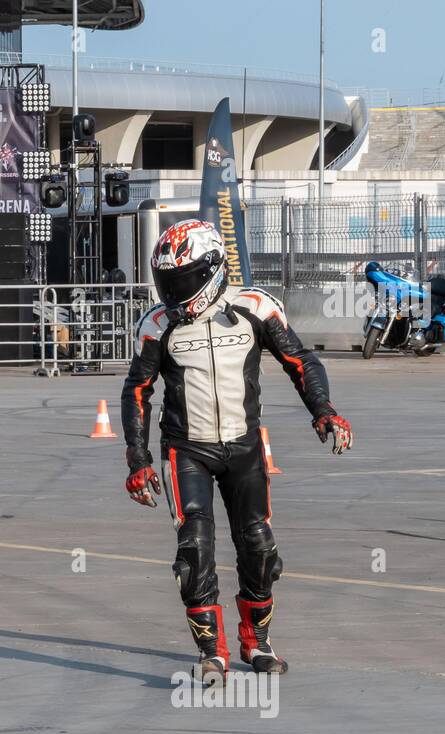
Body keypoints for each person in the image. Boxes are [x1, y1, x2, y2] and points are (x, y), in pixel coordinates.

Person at [120, 219, 354, 682]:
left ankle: (257, 642)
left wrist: (323, 410)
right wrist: (138, 459)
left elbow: (299, 361)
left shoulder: (256, 307)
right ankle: (212, 650)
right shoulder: (157, 323)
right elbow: (138, 390)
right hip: (185, 449)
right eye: (167, 282)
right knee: (194, 548)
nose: (174, 292)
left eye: (183, 281)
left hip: (245, 447)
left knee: (260, 548)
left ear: (213, 270)